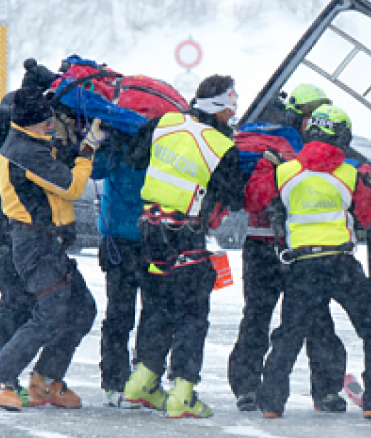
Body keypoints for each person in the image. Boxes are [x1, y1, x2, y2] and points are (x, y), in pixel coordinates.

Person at [256, 104, 371, 421]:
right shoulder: (351, 174)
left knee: (289, 334)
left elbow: (257, 200)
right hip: (340, 264)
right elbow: (366, 220)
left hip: (301, 266)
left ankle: (271, 402)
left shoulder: (283, 172)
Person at [121, 74, 245, 418]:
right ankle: (183, 391)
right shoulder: (221, 146)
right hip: (186, 239)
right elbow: (235, 196)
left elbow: (134, 160)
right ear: (220, 107)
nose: (234, 112)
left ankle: (142, 380)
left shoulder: (165, 123)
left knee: (156, 306)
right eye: (232, 105)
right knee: (192, 314)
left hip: (150, 234)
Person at [0, 86, 105, 411]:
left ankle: (46, 380)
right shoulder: (25, 152)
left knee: (82, 308)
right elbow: (73, 187)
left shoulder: (34, 143)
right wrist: (88, 149)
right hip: (33, 244)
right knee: (48, 315)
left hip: (47, 241)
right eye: (46, 121)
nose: (51, 125)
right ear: (31, 122)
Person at [228, 83, 348, 413]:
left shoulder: (309, 156)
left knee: (305, 319)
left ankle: (315, 390)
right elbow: (255, 197)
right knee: (275, 318)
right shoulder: (281, 154)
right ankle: (256, 388)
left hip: (290, 250)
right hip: (281, 248)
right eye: (312, 116)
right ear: (300, 116)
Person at [0, 59, 58, 405]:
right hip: (0, 225)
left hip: (7, 225)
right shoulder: (10, 119)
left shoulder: (14, 117)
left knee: (21, 300)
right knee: (18, 300)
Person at [92, 128, 152, 406]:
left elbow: (96, 170)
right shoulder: (157, 145)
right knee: (150, 316)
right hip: (148, 239)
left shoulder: (116, 146)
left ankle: (117, 381)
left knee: (120, 314)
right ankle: (141, 380)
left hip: (120, 239)